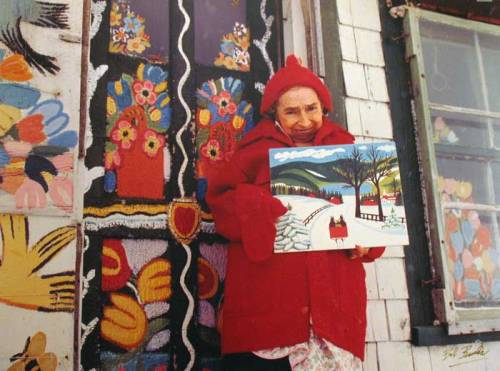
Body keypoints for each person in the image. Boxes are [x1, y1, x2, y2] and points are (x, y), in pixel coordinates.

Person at [206, 55, 385, 370]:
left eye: (311, 109)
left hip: (332, 311)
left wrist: (367, 242)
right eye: (291, 111)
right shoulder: (253, 151)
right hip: (268, 309)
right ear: (274, 113)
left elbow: (375, 222)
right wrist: (261, 204)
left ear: (323, 108)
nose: (304, 121)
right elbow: (220, 203)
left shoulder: (348, 150)